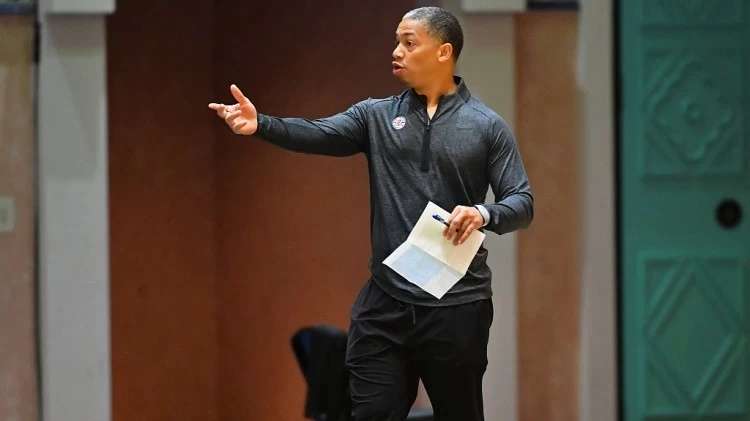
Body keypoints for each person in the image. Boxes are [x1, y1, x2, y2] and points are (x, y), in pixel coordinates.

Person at [208, 6, 533, 421]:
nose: (396, 51)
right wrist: (261, 125)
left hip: (457, 306)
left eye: (409, 43)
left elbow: (521, 202)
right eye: (396, 41)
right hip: (385, 303)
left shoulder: (486, 126)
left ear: (443, 52)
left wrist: (482, 213)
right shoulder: (376, 115)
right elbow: (320, 132)